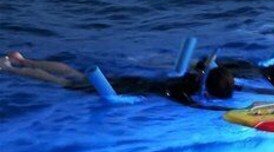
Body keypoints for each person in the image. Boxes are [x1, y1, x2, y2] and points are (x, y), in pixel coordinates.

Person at [1, 50, 244, 109]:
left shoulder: (193, 78)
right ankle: (10, 68)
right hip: (126, 88)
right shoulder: (183, 93)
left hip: (132, 81)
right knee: (66, 82)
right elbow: (194, 106)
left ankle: (22, 59)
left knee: (72, 74)